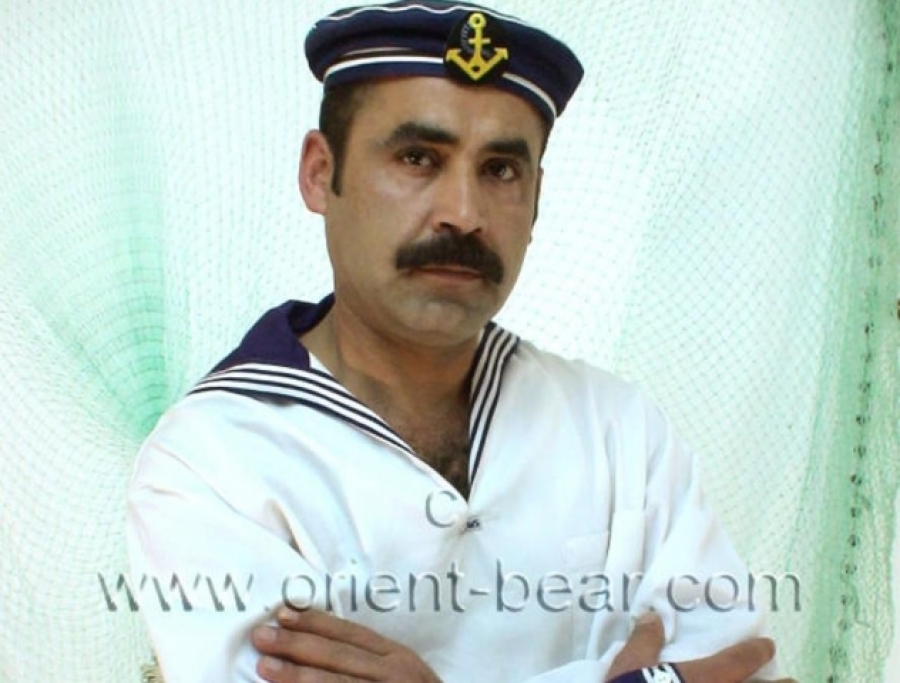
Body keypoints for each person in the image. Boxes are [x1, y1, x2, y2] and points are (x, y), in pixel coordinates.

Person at [127, 2, 793, 682]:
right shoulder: (213, 461)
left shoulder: (619, 429)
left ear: (536, 200)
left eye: (500, 170)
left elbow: (746, 668)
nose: (464, 214)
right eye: (418, 158)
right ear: (320, 173)